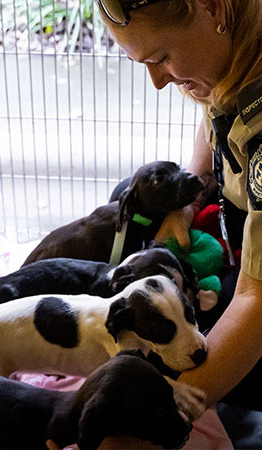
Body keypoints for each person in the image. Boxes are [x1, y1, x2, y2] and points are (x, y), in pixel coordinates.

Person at [68, 0, 262, 447]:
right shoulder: (234, 52)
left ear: (212, 8)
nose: (156, 82)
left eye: (161, 57)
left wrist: (159, 414)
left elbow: (257, 300)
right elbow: (215, 116)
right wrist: (187, 204)